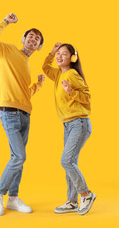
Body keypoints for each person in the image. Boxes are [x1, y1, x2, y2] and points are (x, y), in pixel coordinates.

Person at [0, 13, 45, 216]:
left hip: (25, 115)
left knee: (17, 158)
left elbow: (26, 92)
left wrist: (38, 84)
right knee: (19, 156)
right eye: (31, 35)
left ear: (39, 47)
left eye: (37, 39)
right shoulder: (7, 50)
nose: (33, 39)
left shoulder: (26, 64)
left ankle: (14, 199)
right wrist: (6, 22)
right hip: (9, 113)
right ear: (23, 39)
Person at [42, 42, 96, 215]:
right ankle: (72, 201)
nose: (59, 56)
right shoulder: (59, 74)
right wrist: (50, 53)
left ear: (72, 58)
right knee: (71, 163)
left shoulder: (72, 74)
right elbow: (45, 67)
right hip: (68, 125)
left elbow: (87, 97)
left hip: (79, 123)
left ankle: (86, 194)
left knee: (66, 161)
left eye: (63, 54)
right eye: (58, 53)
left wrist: (71, 91)